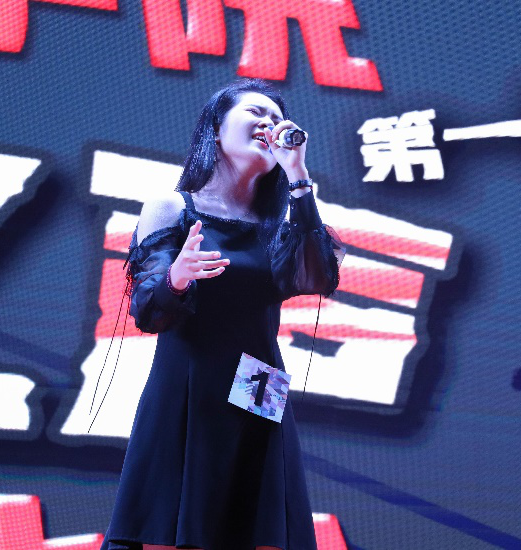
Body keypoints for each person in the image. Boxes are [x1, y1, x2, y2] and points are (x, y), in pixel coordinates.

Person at [100, 79, 345, 550]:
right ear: (216, 127)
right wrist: (175, 278)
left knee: (261, 528)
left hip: (261, 382)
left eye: (277, 118)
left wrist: (298, 176)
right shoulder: (173, 207)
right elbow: (147, 314)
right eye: (256, 112)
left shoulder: (283, 223)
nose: (269, 124)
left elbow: (318, 277)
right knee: (176, 529)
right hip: (188, 380)